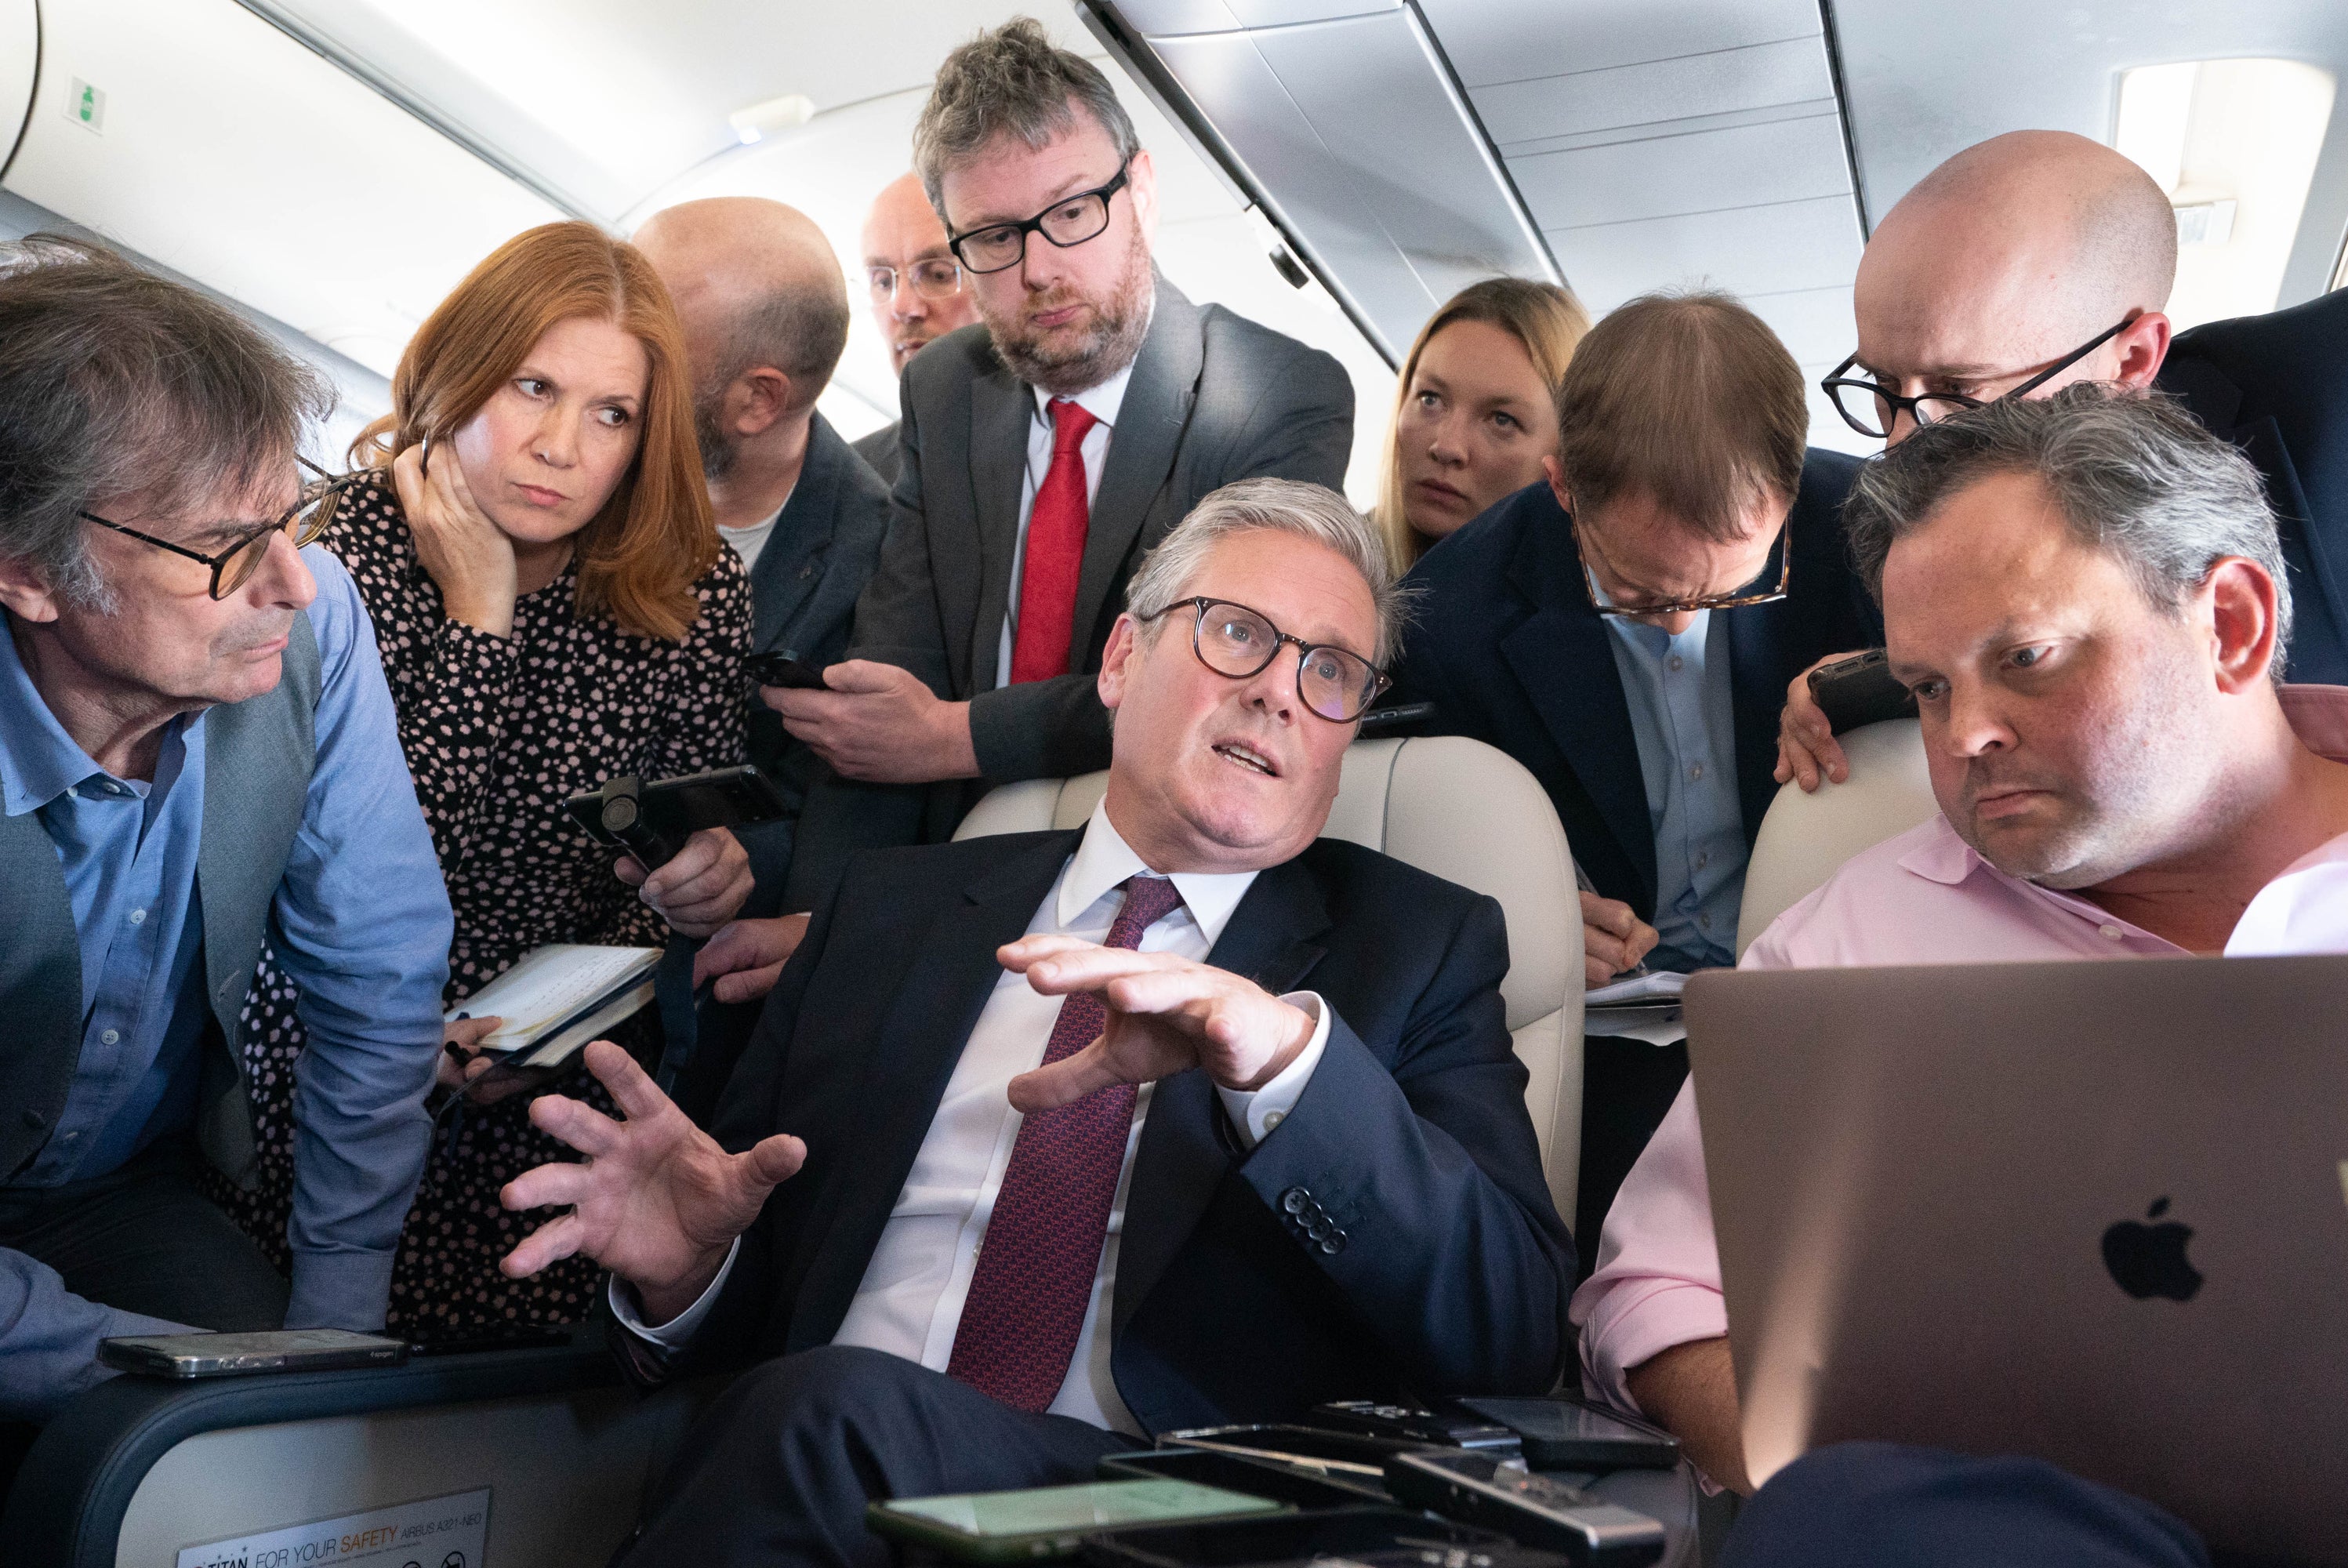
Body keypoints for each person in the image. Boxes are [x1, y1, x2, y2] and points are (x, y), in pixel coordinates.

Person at [499, 479, 1573, 1566]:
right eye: (1238, 634)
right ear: (1120, 660)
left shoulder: (1414, 949)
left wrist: (1287, 1071)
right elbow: (764, 1313)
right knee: (814, 1418)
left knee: (828, 1416)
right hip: (829, 1486)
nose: (1280, 694)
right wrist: (689, 1276)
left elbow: (1510, 1334)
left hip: (1173, 1512)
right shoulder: (889, 912)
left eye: (1331, 670)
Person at [1573, 389, 2348, 1542]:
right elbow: (1653, 1300)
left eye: (2026, 658)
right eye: (1929, 687)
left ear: (2229, 625)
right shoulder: (1843, 954)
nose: (1964, 736)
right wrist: (1895, 1491)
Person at [218, 221, 757, 1334]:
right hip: (338, 1049)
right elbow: (368, 874)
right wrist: (481, 620)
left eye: (611, 414)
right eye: (533, 388)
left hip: (566, 1062)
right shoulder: (340, 556)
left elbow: (659, 867)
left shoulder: (692, 585)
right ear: (461, 376)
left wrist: (707, 876)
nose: (563, 446)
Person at [0, 238, 450, 1421]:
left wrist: (331, 1329)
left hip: (114, 1189)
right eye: (220, 547)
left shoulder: (312, 625)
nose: (292, 583)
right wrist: (153, 1374)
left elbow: (379, 970)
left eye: (289, 517)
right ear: (28, 571)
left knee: (287, 1448)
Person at [772, 18, 1355, 916]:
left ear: (1143, 193)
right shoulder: (945, 388)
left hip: (1150, 875)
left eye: (1073, 212)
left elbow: (1212, 688)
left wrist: (954, 736)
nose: (1040, 268)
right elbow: (885, 703)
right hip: (945, 870)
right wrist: (823, 930)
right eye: (994, 237)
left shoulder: (1277, 396)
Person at [1386, 292, 1878, 1250]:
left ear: (1793, 487)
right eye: (1642, 594)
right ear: (1562, 486)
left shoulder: (1881, 529)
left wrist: (1888, 676)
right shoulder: (1444, 621)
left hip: (1839, 988)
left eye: (1735, 586)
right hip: (1608, 1037)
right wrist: (1514, 909)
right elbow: (1410, 865)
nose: (1686, 623)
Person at [1779, 127, 2348, 793]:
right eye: (1882, 387)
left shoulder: (2334, 395)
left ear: (2131, 358)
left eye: (1962, 392)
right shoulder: (1902, 538)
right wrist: (1867, 686)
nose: (1901, 448)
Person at [633, 198, 894, 902]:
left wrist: (738, 864)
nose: (611, 349)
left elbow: (832, 808)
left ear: (757, 401)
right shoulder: (573, 474)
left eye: (651, 342)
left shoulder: (880, 572)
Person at [1372, 276, 1588, 572]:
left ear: (1565, 455)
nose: (1446, 447)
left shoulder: (1577, 615)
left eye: (1502, 420)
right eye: (1430, 399)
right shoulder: (1324, 564)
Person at [851, 171, 985, 484]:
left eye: (938, 275)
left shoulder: (1065, 450)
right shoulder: (852, 482)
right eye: (883, 282)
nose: (903, 309)